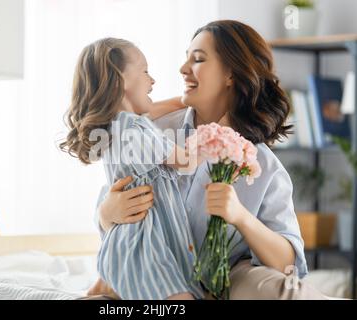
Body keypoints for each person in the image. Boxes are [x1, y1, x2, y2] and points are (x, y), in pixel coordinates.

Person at [90, 20, 327, 300]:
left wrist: (240, 216)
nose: (183, 69)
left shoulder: (262, 163)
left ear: (231, 74)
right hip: (156, 269)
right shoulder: (152, 130)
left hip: (228, 275)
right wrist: (105, 216)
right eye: (186, 57)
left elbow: (288, 262)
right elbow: (117, 191)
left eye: (198, 59)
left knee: (286, 291)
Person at [60, 37, 205, 300]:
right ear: (121, 81)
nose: (153, 81)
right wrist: (214, 138)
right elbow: (186, 161)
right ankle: (107, 286)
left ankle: (107, 286)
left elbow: (154, 110)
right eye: (146, 71)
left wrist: (190, 99)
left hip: (133, 237)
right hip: (142, 242)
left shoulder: (120, 124)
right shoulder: (135, 131)